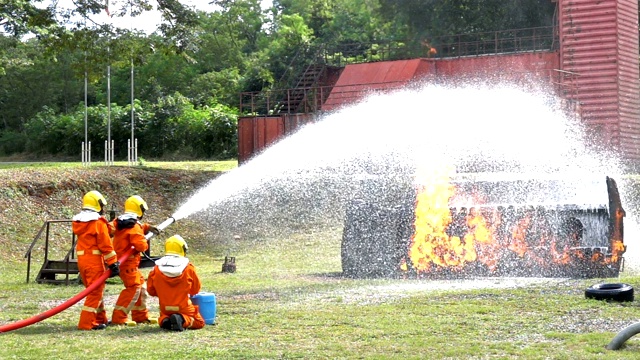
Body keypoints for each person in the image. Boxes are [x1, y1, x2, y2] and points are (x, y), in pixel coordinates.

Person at [72, 190, 120, 331]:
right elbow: (105, 245)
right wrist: (113, 263)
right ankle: (86, 324)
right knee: (95, 293)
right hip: (94, 263)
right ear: (97, 205)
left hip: (82, 262)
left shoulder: (79, 222)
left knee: (94, 291)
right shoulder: (98, 223)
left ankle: (99, 319)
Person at [109, 195, 159, 325]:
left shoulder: (121, 221)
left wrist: (148, 227)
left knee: (141, 287)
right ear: (140, 209)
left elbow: (133, 229)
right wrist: (145, 240)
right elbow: (141, 245)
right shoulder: (134, 226)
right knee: (134, 288)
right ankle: (118, 319)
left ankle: (140, 316)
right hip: (127, 263)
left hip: (124, 263)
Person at [147, 235, 205, 331]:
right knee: (199, 322)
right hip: (184, 307)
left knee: (164, 316)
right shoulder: (188, 267)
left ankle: (165, 321)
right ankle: (182, 320)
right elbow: (195, 290)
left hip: (165, 307)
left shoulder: (156, 268)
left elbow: (151, 291)